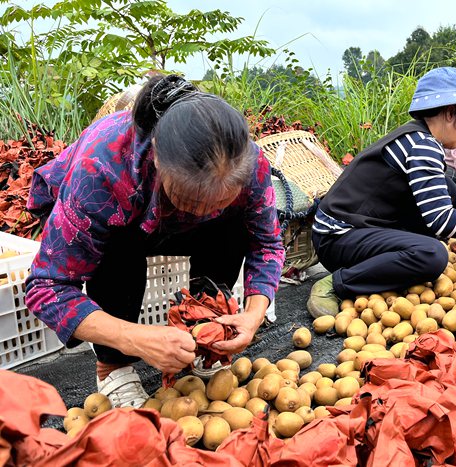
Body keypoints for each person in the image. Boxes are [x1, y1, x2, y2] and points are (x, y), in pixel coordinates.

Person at [24, 74, 284, 408]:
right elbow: (47, 288)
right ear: (158, 158)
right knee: (120, 243)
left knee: (233, 227)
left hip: (170, 224)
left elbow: (266, 244)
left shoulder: (249, 165)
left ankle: (205, 332)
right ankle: (112, 365)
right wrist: (133, 339)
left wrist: (253, 314)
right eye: (188, 199)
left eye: (216, 202)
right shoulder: (103, 171)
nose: (202, 211)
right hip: (112, 221)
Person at [307, 67, 456, 318]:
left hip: (363, 225)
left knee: (448, 188)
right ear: (451, 114)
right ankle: (336, 284)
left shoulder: (420, 136)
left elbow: (430, 202)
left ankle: (376, 267)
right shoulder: (423, 145)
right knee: (432, 255)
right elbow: (441, 222)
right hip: (338, 237)